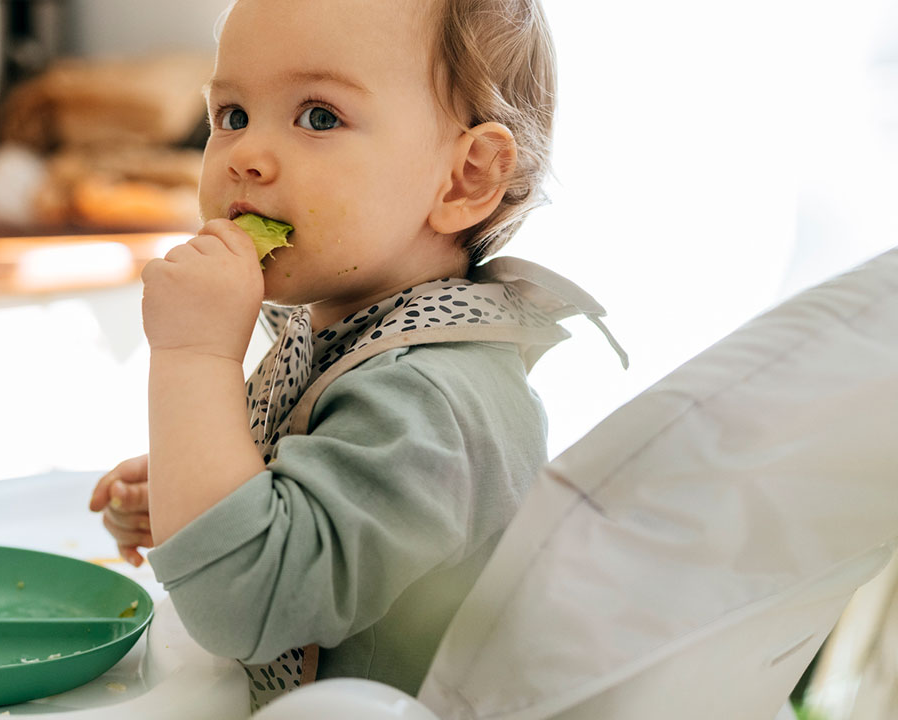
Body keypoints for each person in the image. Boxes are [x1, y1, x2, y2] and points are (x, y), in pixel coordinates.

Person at [86, 0, 625, 708]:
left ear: (464, 179)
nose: (245, 155)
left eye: (319, 117)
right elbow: (326, 523)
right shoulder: (357, 338)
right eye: (232, 115)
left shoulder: (435, 397)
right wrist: (201, 492)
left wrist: (192, 355)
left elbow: (240, 606)